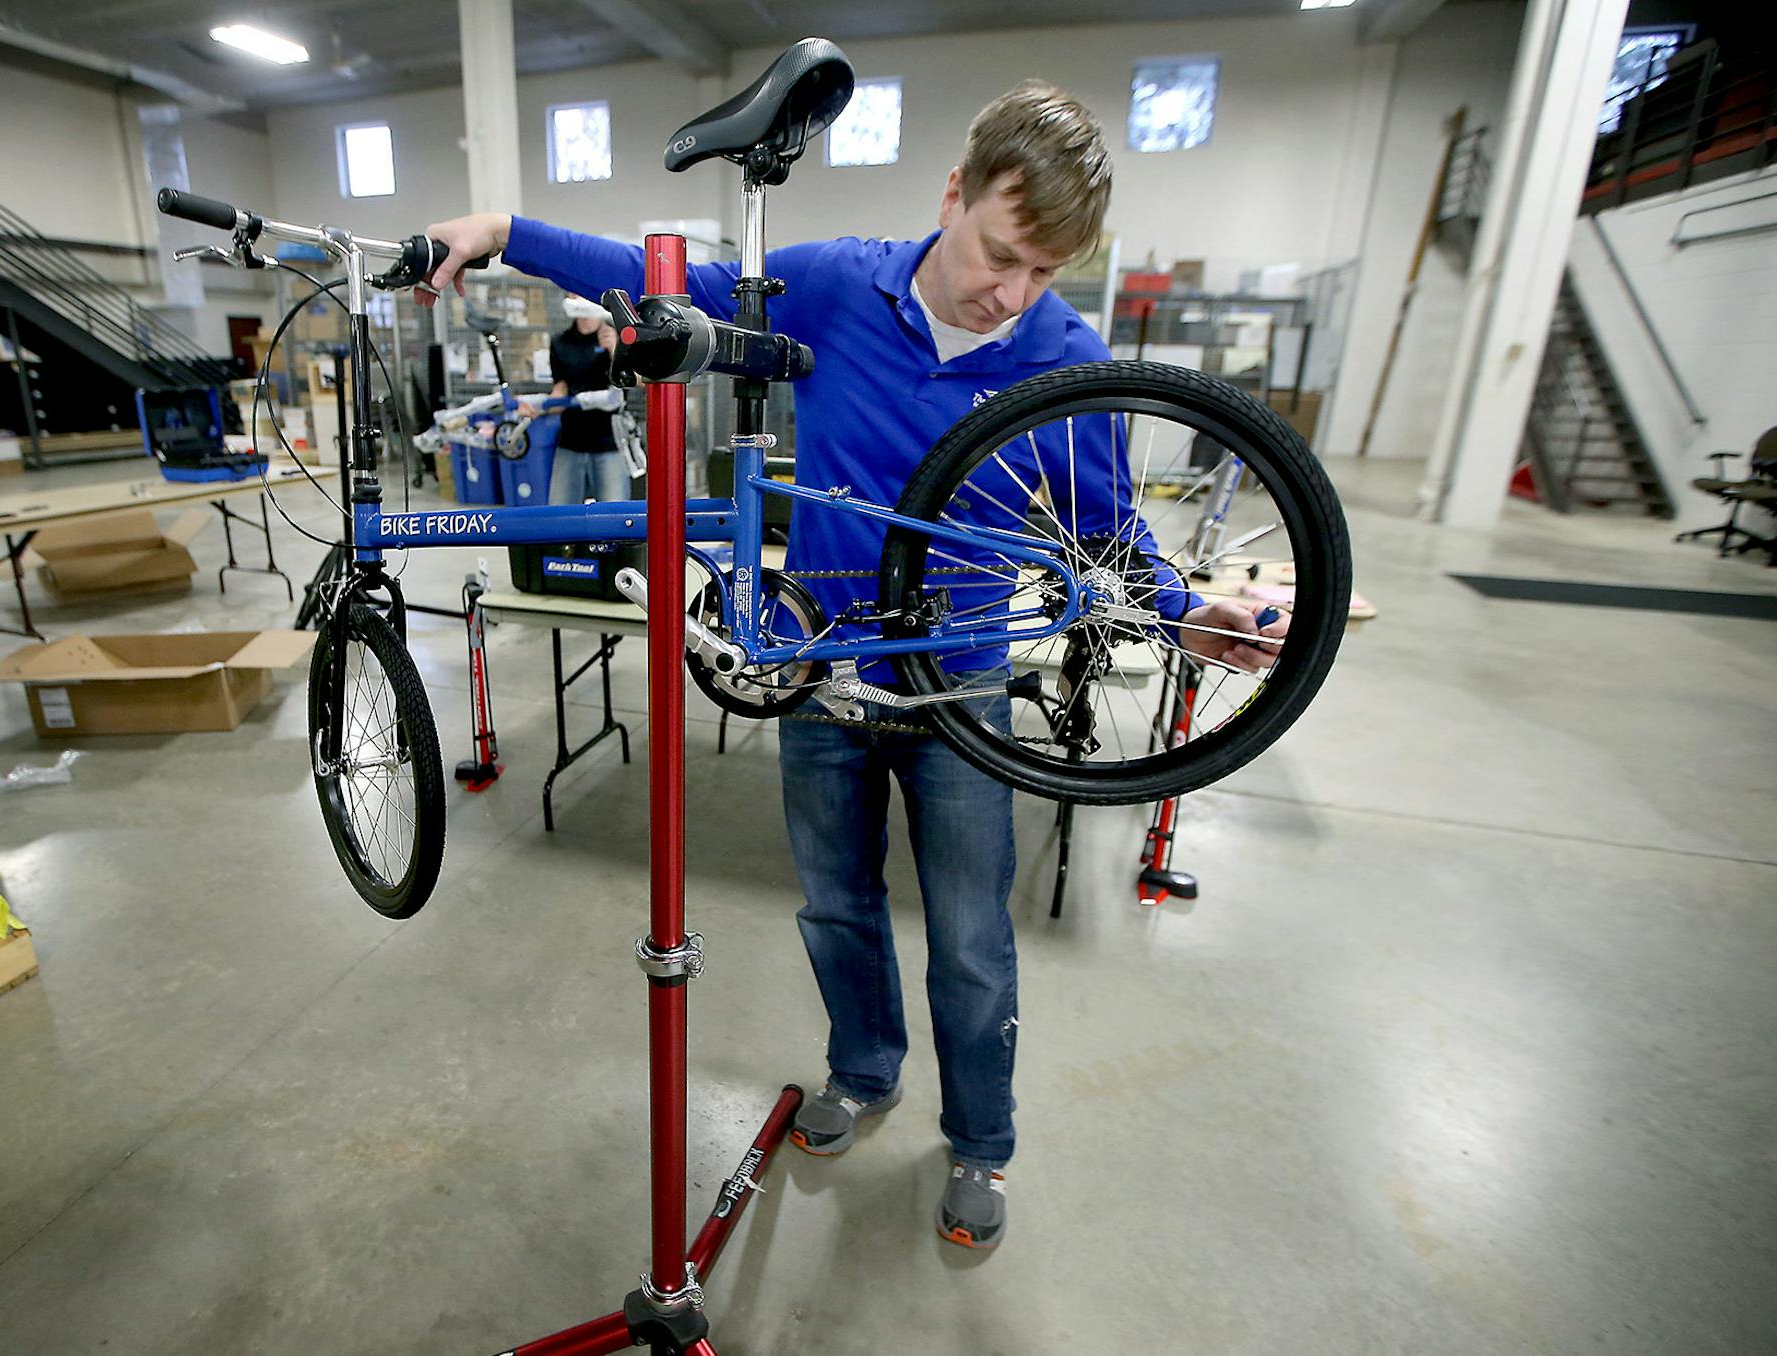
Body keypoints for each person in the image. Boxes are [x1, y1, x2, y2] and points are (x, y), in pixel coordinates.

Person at [421, 81, 1286, 1251]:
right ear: (953, 196)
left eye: (1045, 272)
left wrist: (1189, 617)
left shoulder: (1068, 357)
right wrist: (506, 232)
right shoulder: (834, 284)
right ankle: (865, 1069)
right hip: (820, 672)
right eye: (1000, 252)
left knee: (975, 939)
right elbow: (669, 279)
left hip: (960, 687)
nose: (1011, 293)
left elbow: (1107, 536)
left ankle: (980, 1141)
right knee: (836, 905)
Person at [532, 297, 628, 503]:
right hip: (571, 441)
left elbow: (629, 384)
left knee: (615, 516)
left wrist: (615, 351)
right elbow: (560, 389)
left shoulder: (617, 337)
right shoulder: (561, 342)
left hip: (609, 442)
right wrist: (537, 408)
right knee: (559, 513)